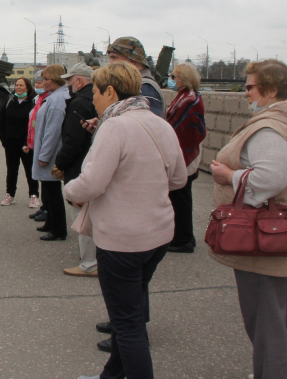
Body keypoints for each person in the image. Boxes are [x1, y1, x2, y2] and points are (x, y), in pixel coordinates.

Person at [68, 62, 186, 379]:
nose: (93, 98)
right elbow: (178, 178)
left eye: (95, 91)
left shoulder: (115, 126)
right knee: (129, 316)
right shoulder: (160, 123)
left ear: (110, 90)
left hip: (122, 241)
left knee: (128, 325)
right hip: (158, 235)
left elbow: (91, 182)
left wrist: (69, 189)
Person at [209, 59, 287, 378]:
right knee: (278, 317)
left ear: (271, 90)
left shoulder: (271, 127)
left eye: (250, 87)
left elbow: (269, 180)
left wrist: (227, 174)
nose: (245, 93)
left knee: (265, 322)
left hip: (266, 235)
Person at [52, 63, 99, 276]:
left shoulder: (78, 103)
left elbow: (73, 140)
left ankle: (89, 262)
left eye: (70, 81)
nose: (69, 85)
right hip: (91, 164)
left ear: (79, 81)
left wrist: (60, 163)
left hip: (79, 167)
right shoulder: (94, 100)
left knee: (81, 215)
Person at [165, 63, 207, 253]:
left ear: (185, 78)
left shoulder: (189, 100)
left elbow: (188, 131)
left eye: (175, 76)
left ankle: (183, 239)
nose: (172, 80)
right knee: (180, 197)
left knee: (181, 197)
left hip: (185, 154)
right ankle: (184, 236)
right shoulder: (184, 97)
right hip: (182, 153)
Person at [32, 64, 69, 241]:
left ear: (56, 78)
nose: (43, 83)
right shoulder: (55, 96)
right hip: (48, 151)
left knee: (53, 192)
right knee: (48, 189)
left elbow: (53, 131)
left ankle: (58, 229)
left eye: (46, 79)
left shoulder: (58, 99)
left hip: (50, 153)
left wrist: (44, 155)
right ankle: (51, 223)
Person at [0, 77, 39, 207]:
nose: (18, 87)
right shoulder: (10, 101)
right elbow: (2, 121)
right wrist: (3, 138)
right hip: (11, 144)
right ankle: (10, 194)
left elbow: (36, 124)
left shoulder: (33, 103)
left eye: (21, 85)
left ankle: (34, 196)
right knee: (12, 170)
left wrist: (31, 142)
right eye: (16, 85)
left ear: (27, 87)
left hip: (27, 145)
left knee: (30, 171)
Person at [107, 37, 165, 117]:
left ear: (132, 61)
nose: (110, 63)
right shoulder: (136, 86)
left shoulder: (145, 89)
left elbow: (148, 126)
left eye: (114, 57)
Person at [26, 76, 48, 214]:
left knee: (47, 180)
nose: (39, 84)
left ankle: (47, 209)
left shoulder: (47, 100)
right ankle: (45, 208)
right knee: (42, 178)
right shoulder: (37, 100)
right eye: (37, 82)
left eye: (41, 82)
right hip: (34, 141)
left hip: (43, 143)